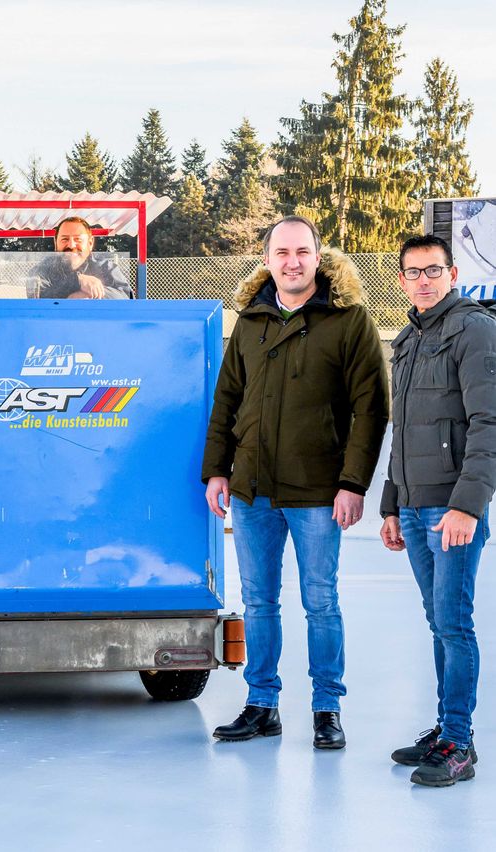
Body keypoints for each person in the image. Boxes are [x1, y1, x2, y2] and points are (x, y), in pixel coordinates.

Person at [202, 216, 388, 749]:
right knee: (259, 602)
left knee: (320, 601)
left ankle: (327, 708)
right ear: (267, 259)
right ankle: (262, 704)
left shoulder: (348, 320)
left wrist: (352, 483)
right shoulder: (250, 319)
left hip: (317, 491)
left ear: (317, 255)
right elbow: (227, 402)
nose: (292, 262)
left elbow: (370, 409)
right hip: (253, 488)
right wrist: (218, 469)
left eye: (302, 251)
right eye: (281, 252)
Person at [380, 234, 496, 787]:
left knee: (454, 622)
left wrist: (468, 507)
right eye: (413, 272)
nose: (423, 280)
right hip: (414, 506)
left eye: (433, 270)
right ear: (402, 279)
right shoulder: (407, 339)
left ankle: (460, 742)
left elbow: (488, 424)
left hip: (452, 510)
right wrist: (390, 504)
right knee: (438, 623)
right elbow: (401, 431)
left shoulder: (473, 329)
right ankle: (446, 728)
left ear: (452, 274)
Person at [28, 216, 132, 299]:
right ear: (56, 243)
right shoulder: (44, 269)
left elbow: (127, 299)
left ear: (90, 243)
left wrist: (91, 293)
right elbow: (36, 297)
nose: (71, 245)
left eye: (78, 239)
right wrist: (76, 281)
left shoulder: (106, 267)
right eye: (64, 239)